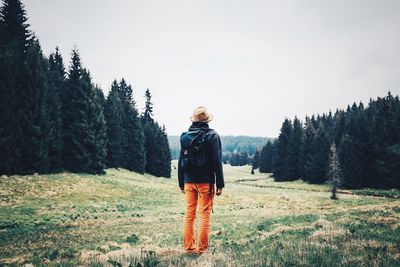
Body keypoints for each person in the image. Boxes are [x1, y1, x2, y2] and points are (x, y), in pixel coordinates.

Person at [178, 106, 225, 255]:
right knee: (204, 215)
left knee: (189, 214)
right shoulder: (213, 136)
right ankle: (201, 251)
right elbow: (217, 161)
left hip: (188, 181)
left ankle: (189, 249)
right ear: (206, 120)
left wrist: (181, 182)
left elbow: (181, 161)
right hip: (206, 182)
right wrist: (220, 184)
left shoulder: (185, 136)